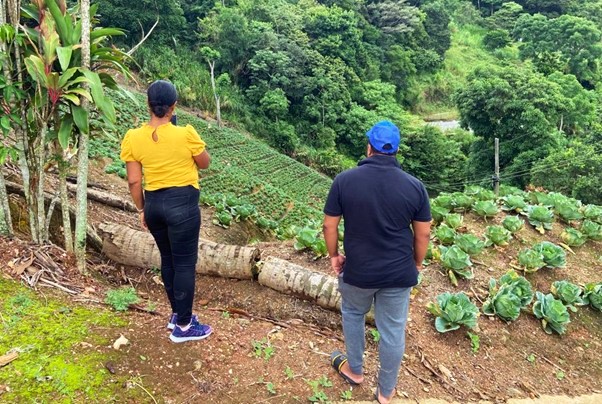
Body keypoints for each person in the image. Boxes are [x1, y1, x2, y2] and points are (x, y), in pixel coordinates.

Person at [323, 121, 431, 403]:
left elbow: (329, 226)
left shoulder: (344, 180)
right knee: (392, 329)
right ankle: (385, 392)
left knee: (353, 314)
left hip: (358, 271)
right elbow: (423, 233)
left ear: (368, 147)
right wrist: (416, 263)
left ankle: (355, 371)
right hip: (398, 272)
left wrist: (334, 255)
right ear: (396, 151)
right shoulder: (415, 187)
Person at [120, 80, 213, 343]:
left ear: (148, 104)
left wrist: (142, 208)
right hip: (182, 205)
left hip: (154, 205)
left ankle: (177, 315)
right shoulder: (186, 133)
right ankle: (183, 326)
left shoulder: (133, 137)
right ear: (174, 106)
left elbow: (134, 181)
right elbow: (204, 163)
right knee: (184, 264)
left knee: (169, 260)